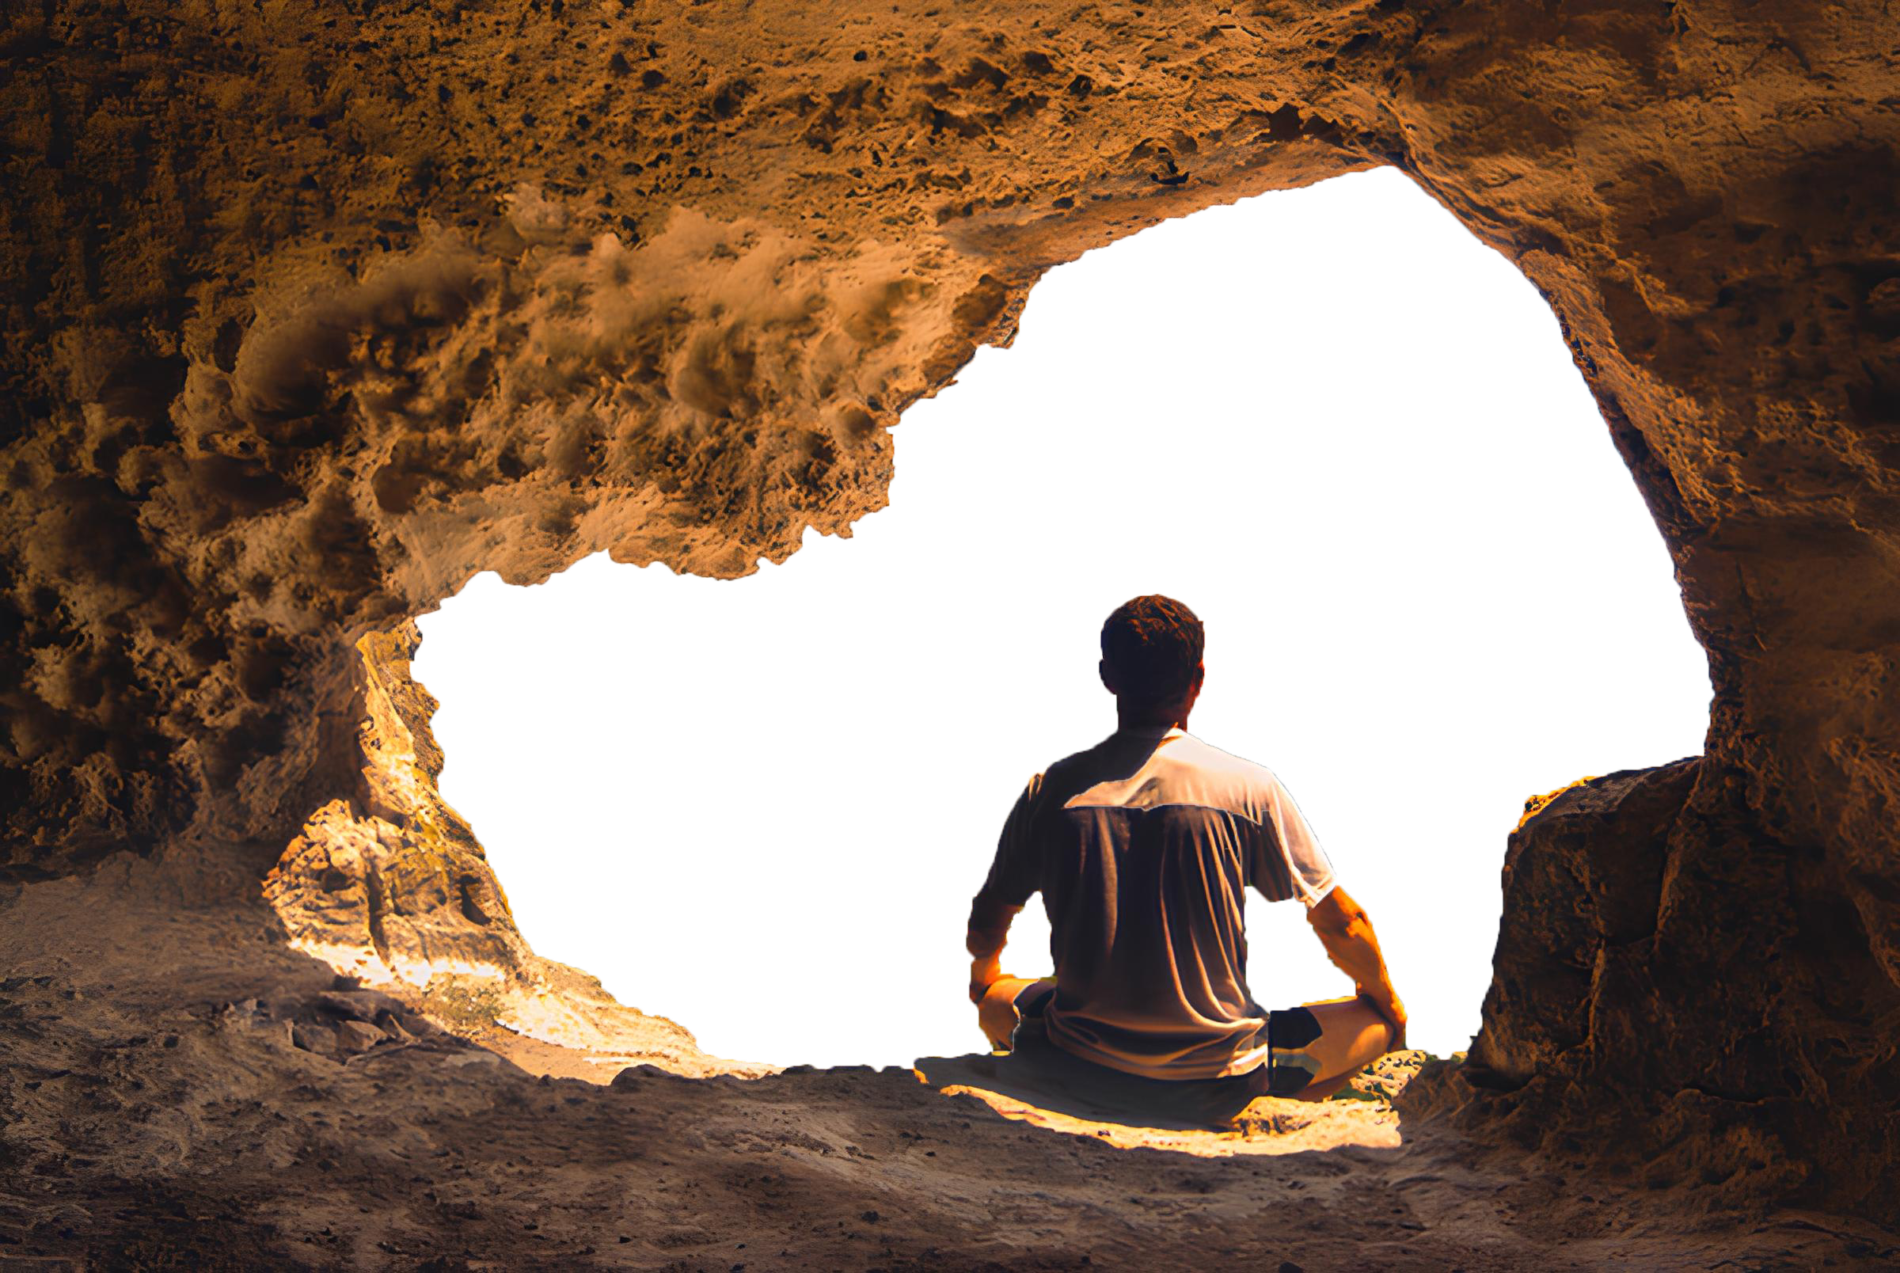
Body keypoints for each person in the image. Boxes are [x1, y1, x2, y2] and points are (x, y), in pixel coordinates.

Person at [963, 593, 1407, 1124]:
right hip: (1218, 1072)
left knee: (996, 998)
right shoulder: (1249, 787)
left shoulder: (1049, 790)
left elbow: (987, 921)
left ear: (1107, 675)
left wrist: (983, 975)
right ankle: (1259, 1108)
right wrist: (1383, 994)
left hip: (1079, 1062)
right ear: (1198, 676)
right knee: (1377, 1025)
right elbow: (1340, 921)